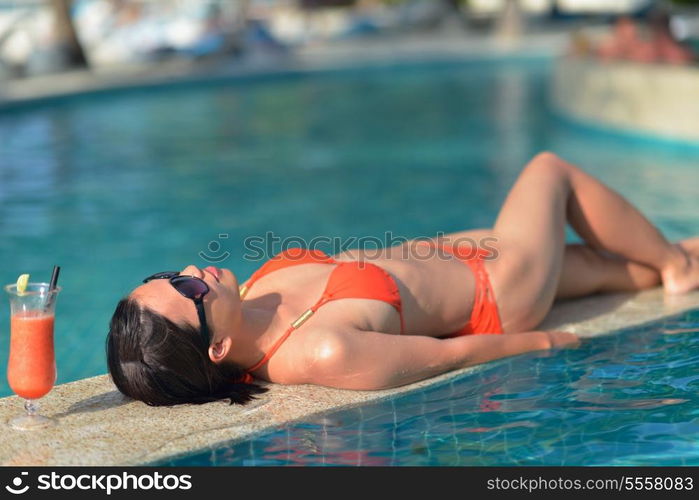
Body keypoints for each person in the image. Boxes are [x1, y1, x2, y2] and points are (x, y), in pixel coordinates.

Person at [106, 152, 699, 406]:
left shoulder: (255, 292)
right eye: (187, 291)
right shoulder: (319, 350)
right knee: (550, 171)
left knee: (616, 265)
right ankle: (678, 272)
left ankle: (674, 261)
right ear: (218, 347)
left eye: (168, 275)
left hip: (474, 255)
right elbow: (446, 357)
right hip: (503, 290)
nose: (190, 272)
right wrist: (543, 341)